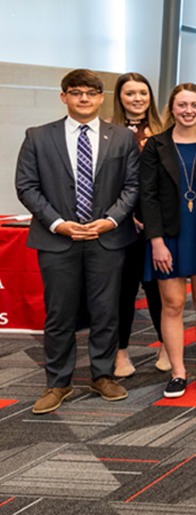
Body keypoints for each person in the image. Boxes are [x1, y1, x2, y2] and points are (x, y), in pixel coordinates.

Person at [17, 69, 139, 414]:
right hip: (58, 240)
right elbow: (27, 186)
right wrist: (59, 224)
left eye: (90, 93)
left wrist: (111, 220)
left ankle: (102, 375)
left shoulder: (122, 138)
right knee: (59, 314)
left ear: (102, 98)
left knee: (106, 311)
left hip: (108, 239)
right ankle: (58, 382)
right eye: (76, 92)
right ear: (64, 97)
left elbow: (133, 186)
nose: (83, 98)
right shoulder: (38, 137)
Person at [139, 84, 196, 398]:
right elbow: (147, 197)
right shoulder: (155, 146)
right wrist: (156, 241)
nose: (188, 110)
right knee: (173, 305)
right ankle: (178, 372)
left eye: (194, 105)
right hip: (169, 236)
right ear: (172, 108)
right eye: (182, 105)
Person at [109, 72, 165, 378]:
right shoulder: (107, 131)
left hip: (158, 225)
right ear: (120, 97)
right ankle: (120, 352)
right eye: (130, 93)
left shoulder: (164, 130)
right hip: (120, 224)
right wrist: (124, 214)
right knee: (124, 291)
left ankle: (166, 346)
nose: (137, 99)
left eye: (142, 93)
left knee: (160, 290)